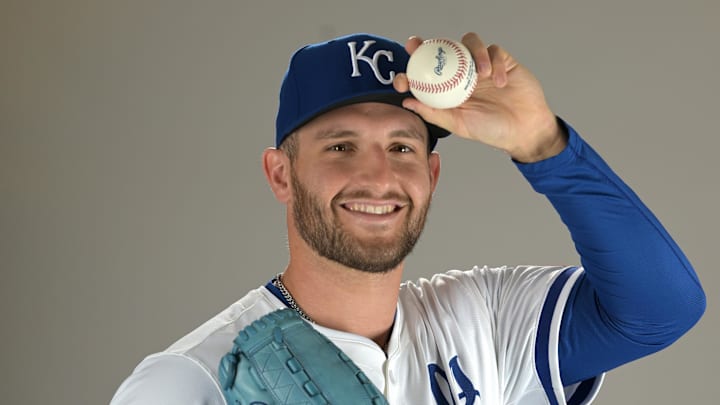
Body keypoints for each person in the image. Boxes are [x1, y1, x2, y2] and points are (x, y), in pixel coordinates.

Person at [110, 32, 706, 404]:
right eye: (341, 147)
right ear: (281, 174)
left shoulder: (484, 322)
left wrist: (544, 145)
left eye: (402, 147)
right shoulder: (192, 380)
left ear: (432, 176)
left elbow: (660, 310)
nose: (378, 177)